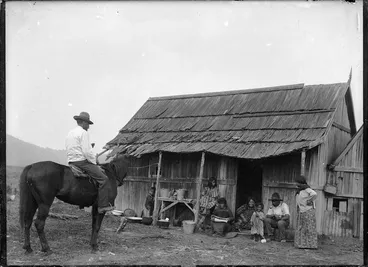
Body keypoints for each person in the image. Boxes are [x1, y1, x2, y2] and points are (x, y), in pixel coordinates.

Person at [66, 111, 114, 214]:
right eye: (88, 124)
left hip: (71, 161)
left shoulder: (70, 132)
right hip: (81, 161)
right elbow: (87, 152)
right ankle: (102, 206)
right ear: (83, 122)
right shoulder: (84, 133)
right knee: (104, 179)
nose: (88, 126)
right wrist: (94, 162)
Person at [294, 175, 318, 249]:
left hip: (307, 211)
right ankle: (302, 244)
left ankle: (311, 245)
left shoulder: (306, 188)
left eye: (297, 182)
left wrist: (310, 200)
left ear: (300, 182)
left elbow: (314, 194)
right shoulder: (300, 190)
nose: (295, 184)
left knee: (309, 227)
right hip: (302, 211)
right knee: (302, 228)